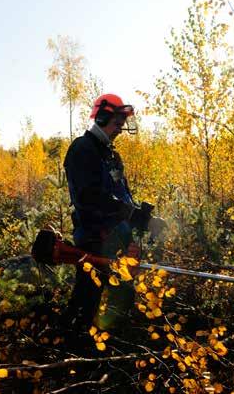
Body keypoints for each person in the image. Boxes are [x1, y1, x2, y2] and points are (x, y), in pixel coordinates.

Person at [63, 93, 165, 331]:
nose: (120, 129)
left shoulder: (111, 155)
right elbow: (88, 197)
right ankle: (70, 348)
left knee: (123, 298)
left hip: (118, 241)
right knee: (86, 301)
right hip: (94, 240)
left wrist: (143, 219)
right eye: (117, 123)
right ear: (101, 118)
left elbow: (122, 195)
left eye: (122, 124)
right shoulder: (82, 149)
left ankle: (109, 347)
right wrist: (128, 213)